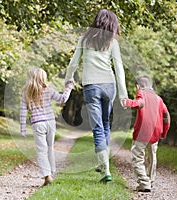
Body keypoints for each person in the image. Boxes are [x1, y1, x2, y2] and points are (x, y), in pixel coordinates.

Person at [64, 9, 128, 183]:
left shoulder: (84, 40)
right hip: (110, 86)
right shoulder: (112, 42)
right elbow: (119, 69)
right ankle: (103, 163)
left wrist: (68, 79)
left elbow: (73, 63)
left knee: (98, 128)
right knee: (105, 124)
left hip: (92, 86)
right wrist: (123, 94)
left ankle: (105, 169)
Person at [20, 67, 74, 187]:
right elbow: (63, 99)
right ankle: (51, 172)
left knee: (41, 151)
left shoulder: (26, 92)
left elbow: (23, 111)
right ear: (42, 78)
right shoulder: (48, 89)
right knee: (50, 148)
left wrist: (23, 129)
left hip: (37, 123)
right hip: (50, 122)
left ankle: (47, 175)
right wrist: (69, 87)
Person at [122, 75, 170, 192]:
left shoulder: (141, 93)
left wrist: (127, 103)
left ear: (138, 86)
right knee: (152, 157)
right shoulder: (159, 99)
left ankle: (144, 183)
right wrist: (164, 132)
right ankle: (150, 181)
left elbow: (141, 103)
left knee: (137, 157)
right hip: (156, 132)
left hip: (143, 132)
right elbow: (167, 116)